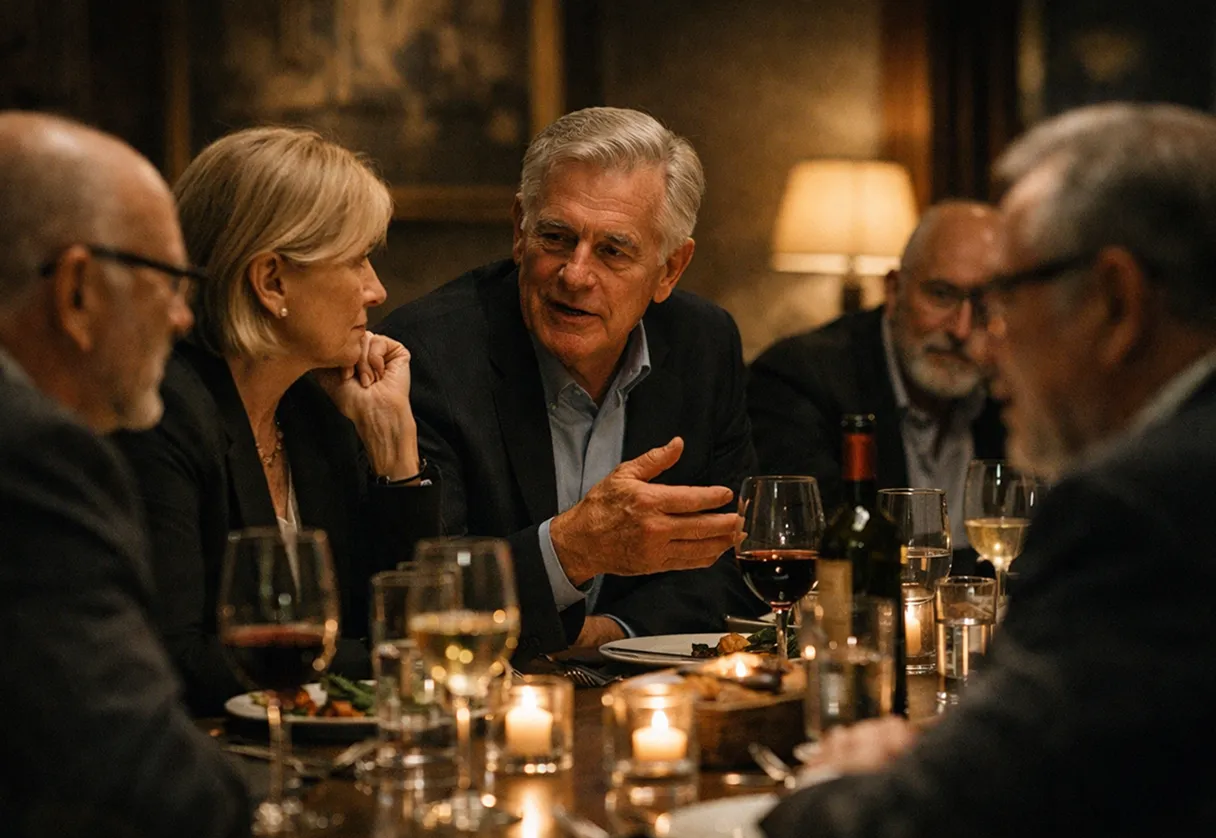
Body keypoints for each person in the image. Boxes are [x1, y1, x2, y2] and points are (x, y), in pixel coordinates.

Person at [761, 102, 1216, 838]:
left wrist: (829, 788)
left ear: (1116, 300)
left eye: (1008, 293)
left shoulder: (1138, 509)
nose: (988, 335)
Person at [378, 107, 763, 658]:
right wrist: (570, 550)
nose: (576, 275)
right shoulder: (431, 355)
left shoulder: (704, 342)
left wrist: (605, 636)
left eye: (613, 250)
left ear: (670, 269)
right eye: (556, 237)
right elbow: (422, 583)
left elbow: (729, 558)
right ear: (519, 230)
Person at [0, 112, 250, 838]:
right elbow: (158, 802)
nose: (183, 318)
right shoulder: (32, 455)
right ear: (76, 291)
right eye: (169, 284)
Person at [114, 127, 440, 715]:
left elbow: (395, 614)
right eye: (357, 260)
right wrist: (397, 661)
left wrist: (395, 452)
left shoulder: (313, 409)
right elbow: (175, 660)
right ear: (271, 281)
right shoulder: (162, 415)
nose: (377, 290)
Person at [748, 201, 1005, 552]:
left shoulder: (1011, 389)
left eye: (984, 305)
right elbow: (823, 549)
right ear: (894, 290)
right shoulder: (799, 379)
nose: (961, 329)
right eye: (941, 295)